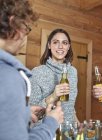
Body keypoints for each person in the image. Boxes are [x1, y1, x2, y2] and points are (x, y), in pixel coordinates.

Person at [0, 0, 64, 140]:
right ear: (13, 24)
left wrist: (22, 113)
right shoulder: (13, 76)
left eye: (64, 43)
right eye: (26, 28)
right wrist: (51, 122)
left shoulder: (72, 72)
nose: (25, 37)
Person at [29, 28, 79, 126]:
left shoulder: (73, 71)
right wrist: (53, 96)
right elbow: (32, 115)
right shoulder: (37, 72)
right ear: (49, 45)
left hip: (69, 130)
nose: (60, 46)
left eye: (64, 43)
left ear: (68, 47)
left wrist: (77, 122)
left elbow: (70, 105)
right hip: (47, 131)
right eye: (56, 42)